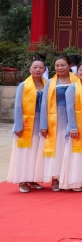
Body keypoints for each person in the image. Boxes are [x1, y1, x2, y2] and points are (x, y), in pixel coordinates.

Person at [37, 55, 78, 191]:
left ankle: (70, 176)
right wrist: (43, 125)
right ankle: (56, 178)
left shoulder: (76, 80)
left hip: (73, 118)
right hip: (56, 120)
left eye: (63, 65)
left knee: (70, 147)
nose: (60, 68)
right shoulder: (50, 82)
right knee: (58, 147)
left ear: (69, 66)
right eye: (57, 66)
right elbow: (44, 104)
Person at [8, 58, 46, 193]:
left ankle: (32, 178)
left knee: (35, 151)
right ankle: (22, 180)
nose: (38, 70)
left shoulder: (47, 84)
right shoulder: (23, 85)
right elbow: (18, 106)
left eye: (41, 67)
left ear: (45, 70)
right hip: (26, 123)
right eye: (35, 67)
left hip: (40, 122)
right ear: (29, 69)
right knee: (24, 151)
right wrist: (18, 126)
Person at [60, 61, 82, 191]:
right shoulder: (72, 88)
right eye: (81, 70)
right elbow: (69, 108)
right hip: (77, 124)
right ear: (77, 72)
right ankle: (75, 181)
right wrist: (73, 127)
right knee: (76, 153)